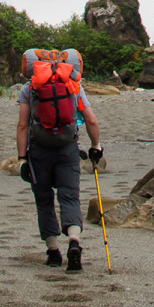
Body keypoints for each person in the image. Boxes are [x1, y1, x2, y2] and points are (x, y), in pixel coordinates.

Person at [16, 73, 103, 270]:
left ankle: (54, 252)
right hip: (68, 150)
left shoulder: (28, 89)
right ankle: (74, 241)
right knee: (70, 197)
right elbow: (91, 121)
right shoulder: (73, 86)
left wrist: (22, 158)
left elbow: (22, 125)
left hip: (39, 151)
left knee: (44, 200)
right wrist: (96, 146)